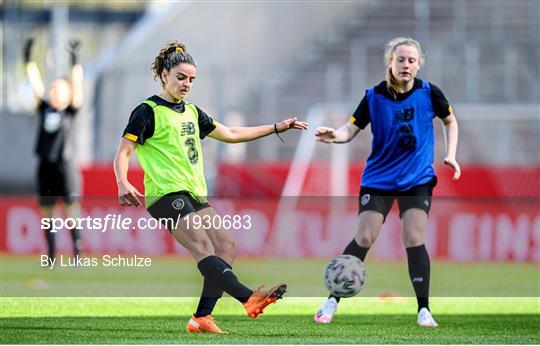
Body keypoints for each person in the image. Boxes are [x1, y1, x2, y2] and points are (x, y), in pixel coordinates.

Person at [113, 41, 308, 334]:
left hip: (193, 193)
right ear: (165, 75)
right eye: (181, 77)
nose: (186, 84)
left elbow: (229, 133)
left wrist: (276, 127)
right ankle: (249, 298)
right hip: (165, 194)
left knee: (227, 246)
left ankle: (201, 318)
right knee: (203, 247)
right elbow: (124, 152)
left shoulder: (192, 111)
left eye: (191, 79)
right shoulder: (147, 111)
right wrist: (123, 180)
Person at [313, 37, 460, 327]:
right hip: (379, 178)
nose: (406, 64)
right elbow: (350, 129)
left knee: (414, 237)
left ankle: (424, 310)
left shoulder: (430, 93)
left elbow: (450, 121)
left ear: (419, 64)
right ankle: (331, 302)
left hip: (417, 179)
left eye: (412, 60)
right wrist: (335, 136)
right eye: (401, 59)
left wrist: (451, 155)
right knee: (365, 237)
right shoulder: (373, 96)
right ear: (390, 62)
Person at [24, 38, 84, 263]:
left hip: (64, 165)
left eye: (59, 89)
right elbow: (35, 84)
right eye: (52, 88)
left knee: (71, 211)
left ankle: (77, 253)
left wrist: (75, 60)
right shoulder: (44, 108)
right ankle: (50, 255)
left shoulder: (70, 111)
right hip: (45, 165)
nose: (54, 92)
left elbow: (77, 86)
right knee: (47, 213)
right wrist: (28, 60)